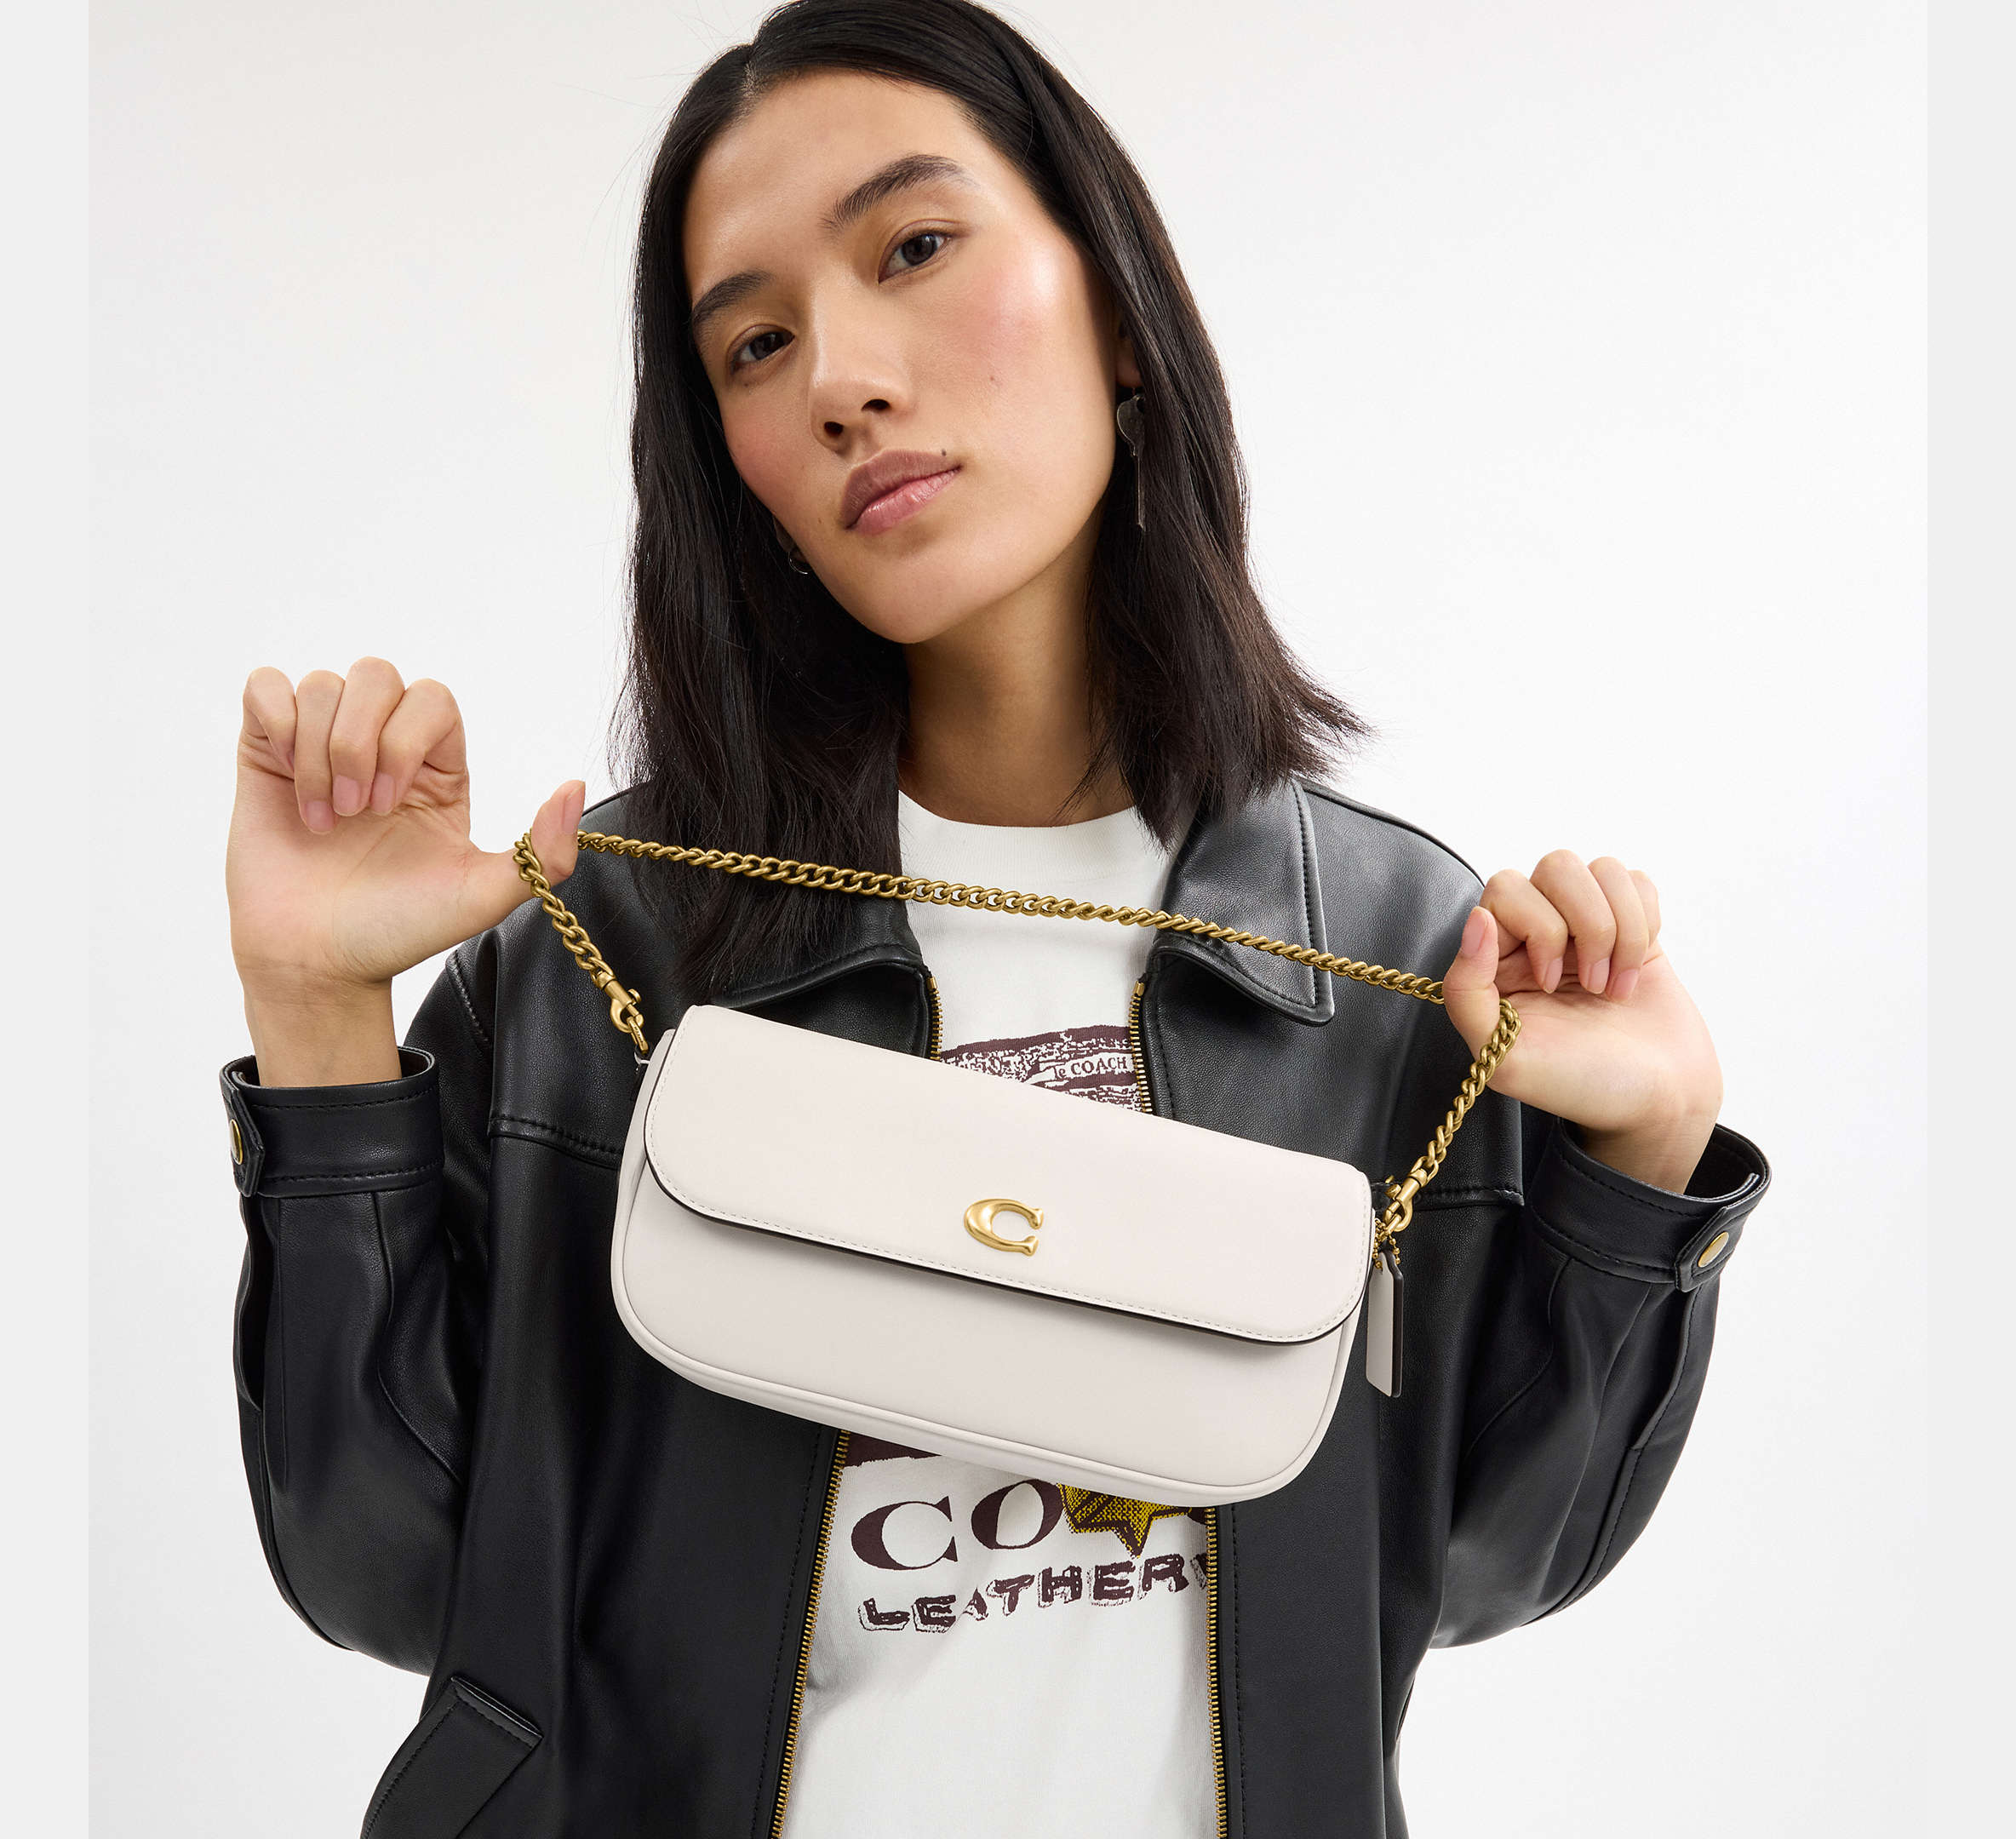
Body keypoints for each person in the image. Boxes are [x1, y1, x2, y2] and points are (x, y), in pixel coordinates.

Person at [217, 3, 1771, 1834]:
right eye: (755, 344)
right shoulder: (607, 949)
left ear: (1115, 303)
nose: (841, 379)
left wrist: (1646, 1158)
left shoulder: (1387, 945)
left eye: (914, 248)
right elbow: (392, 1576)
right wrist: (316, 1018)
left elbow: (1488, 1555)